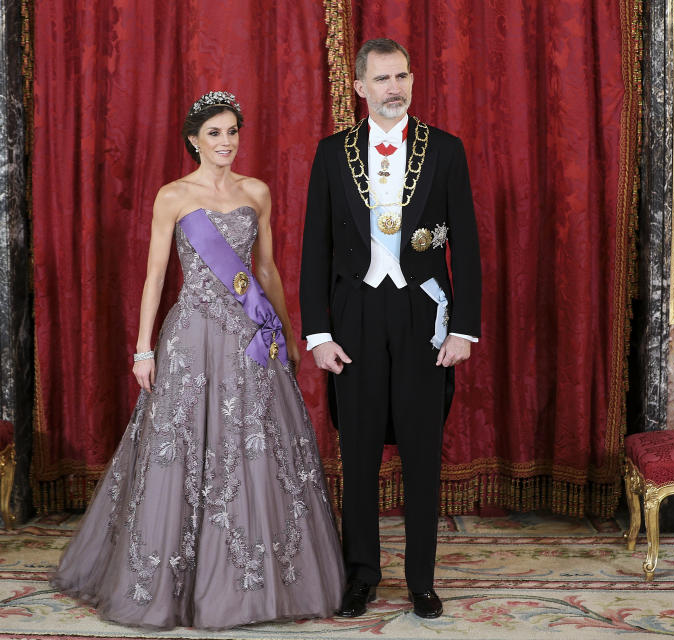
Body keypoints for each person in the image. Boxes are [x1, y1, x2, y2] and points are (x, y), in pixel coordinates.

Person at [52, 90, 345, 630]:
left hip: (250, 340)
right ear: (193, 140)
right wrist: (143, 349)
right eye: (214, 133)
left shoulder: (257, 191)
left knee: (254, 453)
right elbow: (155, 277)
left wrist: (284, 333)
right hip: (190, 339)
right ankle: (175, 586)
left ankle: (257, 583)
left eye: (232, 132)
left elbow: (268, 271)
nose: (225, 142)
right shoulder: (173, 196)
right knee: (180, 453)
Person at [299, 38, 482, 619]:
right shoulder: (332, 154)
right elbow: (314, 251)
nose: (394, 88)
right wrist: (317, 334)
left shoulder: (446, 151)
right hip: (354, 315)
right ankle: (362, 577)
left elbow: (469, 250)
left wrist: (465, 330)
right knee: (357, 455)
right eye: (381, 79)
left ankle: (422, 579)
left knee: (423, 453)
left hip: (422, 314)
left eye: (402, 75)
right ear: (359, 86)